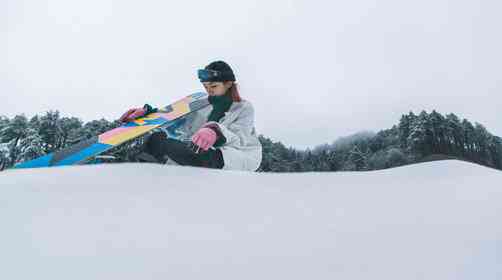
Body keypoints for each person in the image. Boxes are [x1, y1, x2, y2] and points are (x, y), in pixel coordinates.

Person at [119, 60, 262, 172]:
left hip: (238, 154)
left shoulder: (243, 107)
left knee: (201, 156)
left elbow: (239, 139)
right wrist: (148, 114)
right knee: (157, 139)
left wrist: (215, 131)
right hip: (200, 149)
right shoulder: (201, 104)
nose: (209, 91)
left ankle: (169, 163)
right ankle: (149, 165)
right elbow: (174, 119)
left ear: (228, 84)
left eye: (213, 86)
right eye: (206, 87)